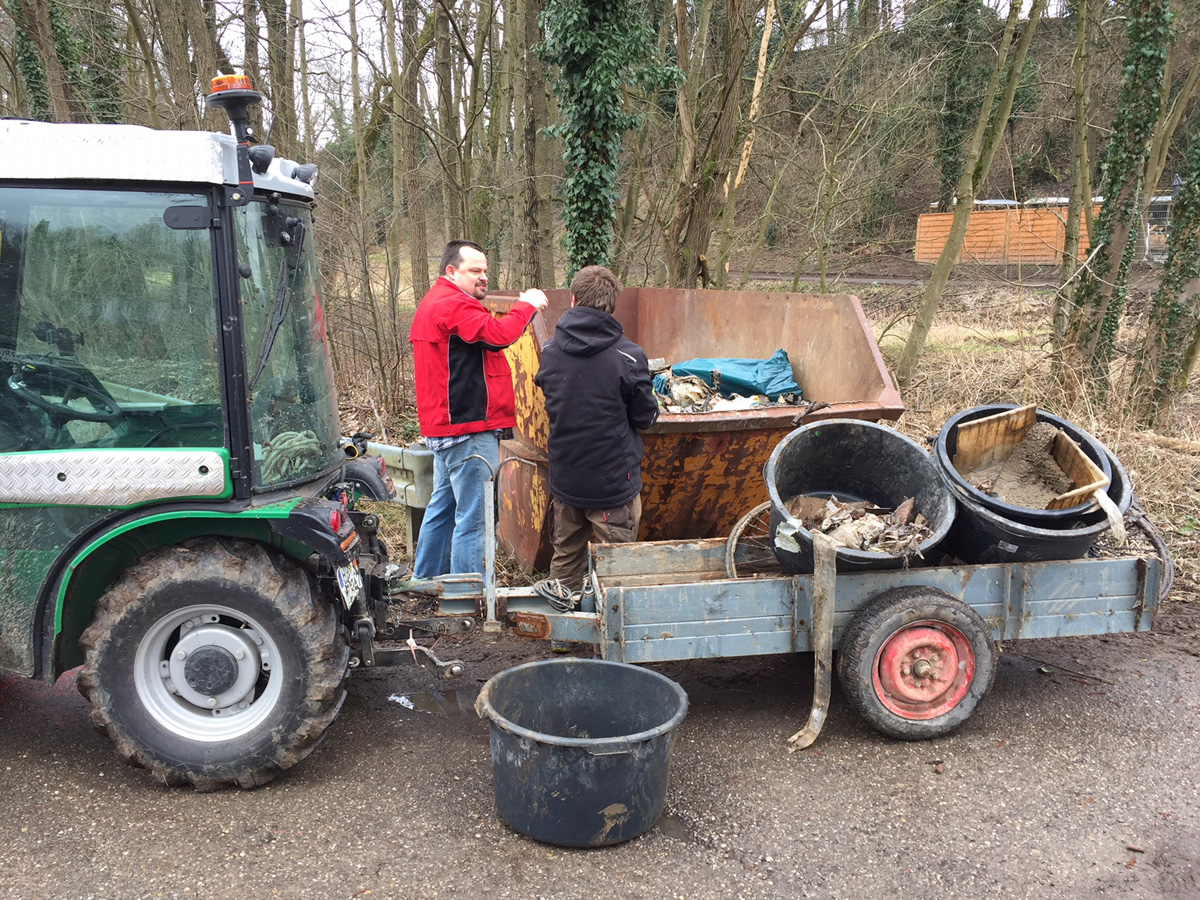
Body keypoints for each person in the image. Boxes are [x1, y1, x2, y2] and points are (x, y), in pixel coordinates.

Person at [409, 240, 548, 577]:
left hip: (447, 429)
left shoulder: (437, 301)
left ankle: (426, 582)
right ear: (451, 271)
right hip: (467, 430)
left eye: (485, 270)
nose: (483, 277)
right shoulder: (454, 305)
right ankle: (468, 597)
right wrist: (526, 305)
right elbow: (499, 334)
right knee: (474, 521)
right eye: (475, 270)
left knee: (443, 509)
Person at [534, 265, 659, 597]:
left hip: (566, 480)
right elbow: (646, 418)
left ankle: (562, 636)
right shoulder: (629, 357)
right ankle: (611, 642)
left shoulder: (550, 352)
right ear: (612, 305)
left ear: (573, 299)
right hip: (612, 486)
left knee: (565, 559)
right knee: (614, 568)